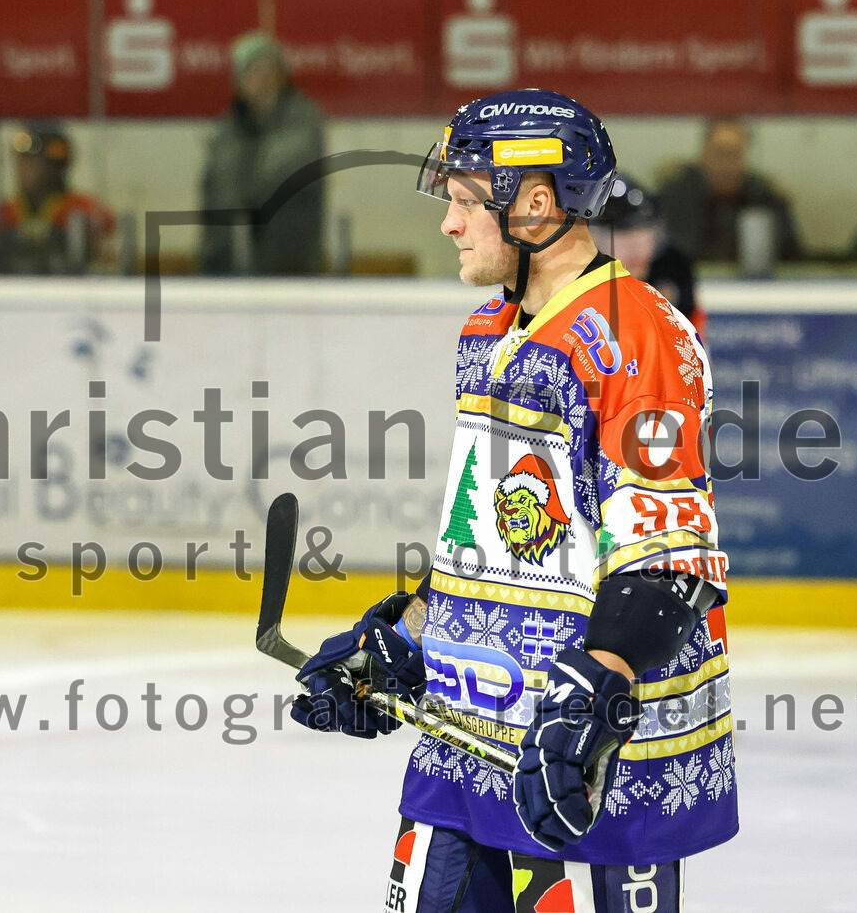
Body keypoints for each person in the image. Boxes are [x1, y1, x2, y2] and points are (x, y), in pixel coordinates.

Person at [290, 88, 736, 912]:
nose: (449, 223)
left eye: (464, 201)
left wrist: (592, 696)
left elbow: (670, 557)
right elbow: (489, 537)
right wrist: (402, 638)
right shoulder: (487, 331)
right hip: (467, 737)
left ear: (534, 204)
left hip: (575, 759)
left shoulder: (637, 336)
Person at [200, 31, 324, 275]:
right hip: (228, 263)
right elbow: (213, 191)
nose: (262, 79)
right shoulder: (228, 128)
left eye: (268, 70)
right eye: (253, 71)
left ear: (282, 77)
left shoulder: (302, 123)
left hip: (288, 265)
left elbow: (279, 178)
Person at [0, 123, 116, 274]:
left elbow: (106, 261)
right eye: (20, 160)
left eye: (32, 161)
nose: (22, 169)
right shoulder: (0, 216)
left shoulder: (85, 210)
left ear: (55, 166)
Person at [657, 117, 801, 262]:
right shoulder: (675, 197)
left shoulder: (766, 199)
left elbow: (793, 259)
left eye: (734, 154)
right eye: (720, 153)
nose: (726, 163)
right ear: (703, 154)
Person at [590, 173, 706, 337]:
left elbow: (690, 338)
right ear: (591, 236)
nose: (637, 247)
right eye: (623, 234)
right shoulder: (569, 282)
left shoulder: (673, 267)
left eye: (645, 232)